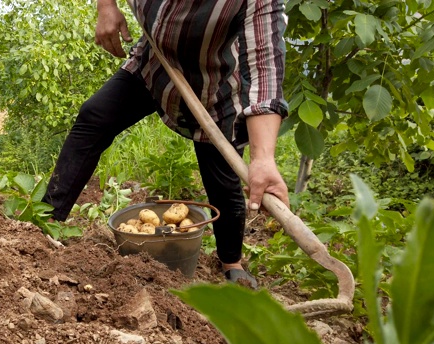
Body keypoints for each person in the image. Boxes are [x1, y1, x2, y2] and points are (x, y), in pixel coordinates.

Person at [42, 0, 290, 288]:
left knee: (222, 182)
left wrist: (263, 158)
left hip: (213, 89)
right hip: (154, 66)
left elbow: (266, 66)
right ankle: (47, 217)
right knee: (94, 117)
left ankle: (231, 260)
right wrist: (106, 6)